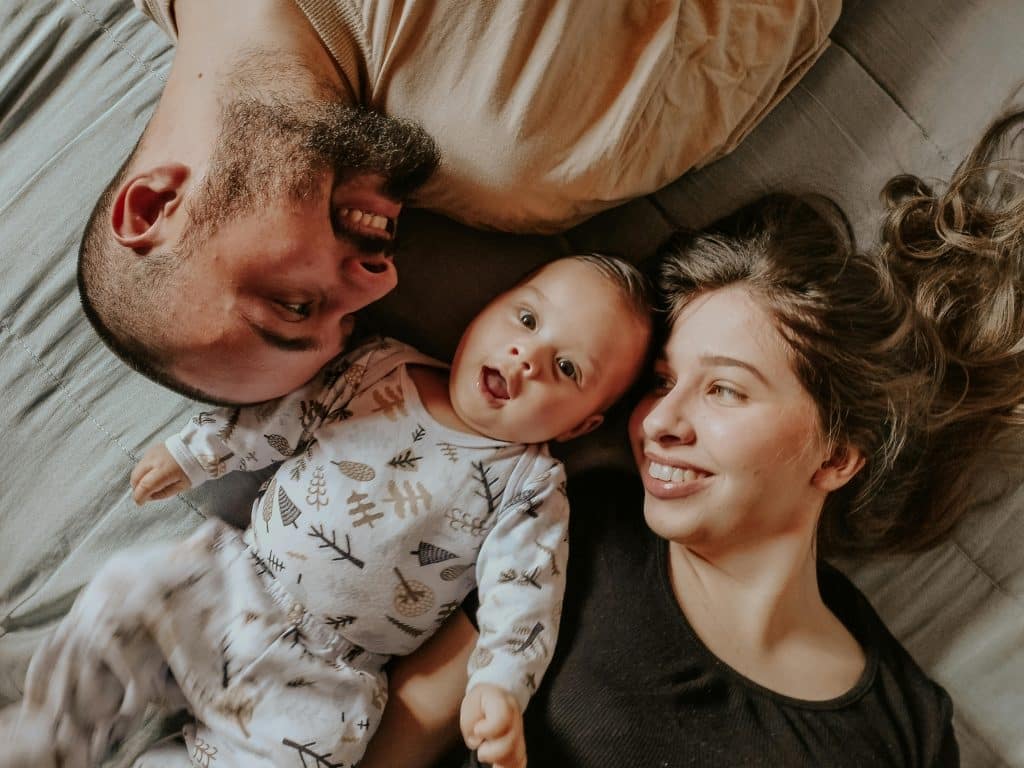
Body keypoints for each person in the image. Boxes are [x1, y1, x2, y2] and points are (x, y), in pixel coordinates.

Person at [356, 109, 1024, 768]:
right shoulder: (572, 531)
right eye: (661, 381)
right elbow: (394, 743)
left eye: (724, 389)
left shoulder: (905, 728)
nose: (657, 423)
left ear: (838, 455)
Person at [2, 254, 653, 768]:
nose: (528, 357)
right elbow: (281, 418)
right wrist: (199, 451)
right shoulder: (379, 366)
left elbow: (525, 596)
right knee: (127, 594)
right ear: (490, 308)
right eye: (527, 319)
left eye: (566, 367)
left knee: (305, 754)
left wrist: (501, 687)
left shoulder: (530, 484)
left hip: (325, 676)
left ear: (580, 425)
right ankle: (51, 738)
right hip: (234, 585)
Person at [78, 0, 840, 404]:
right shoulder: (522, 149)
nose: (378, 281)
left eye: (295, 306)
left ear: (154, 208)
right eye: (344, 324)